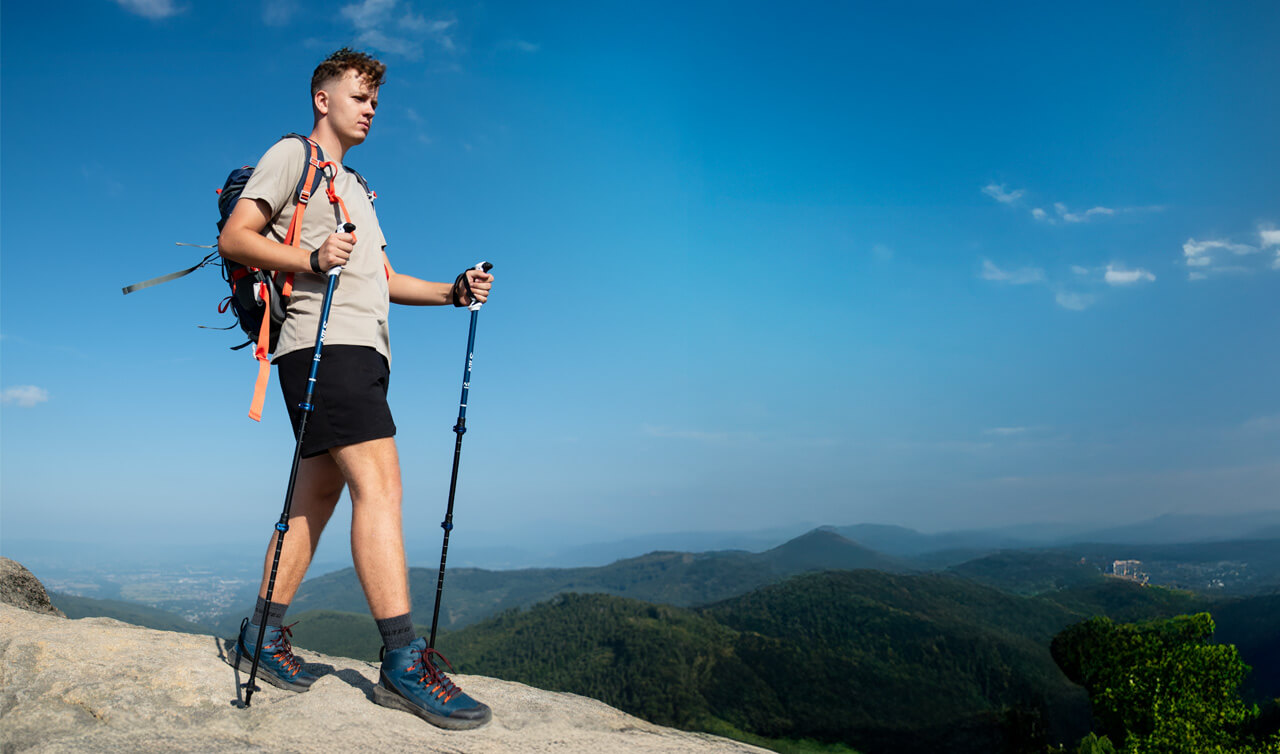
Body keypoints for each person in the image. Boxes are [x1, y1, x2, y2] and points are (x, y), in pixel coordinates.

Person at [217, 48, 494, 730]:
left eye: (375, 99)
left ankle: (263, 633)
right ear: (323, 99)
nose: (371, 108)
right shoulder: (291, 155)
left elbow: (383, 279)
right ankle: (402, 662)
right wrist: (309, 259)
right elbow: (237, 237)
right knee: (382, 486)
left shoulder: (358, 187)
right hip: (323, 347)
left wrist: (452, 292)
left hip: (353, 352)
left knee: (318, 495)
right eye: (359, 95)